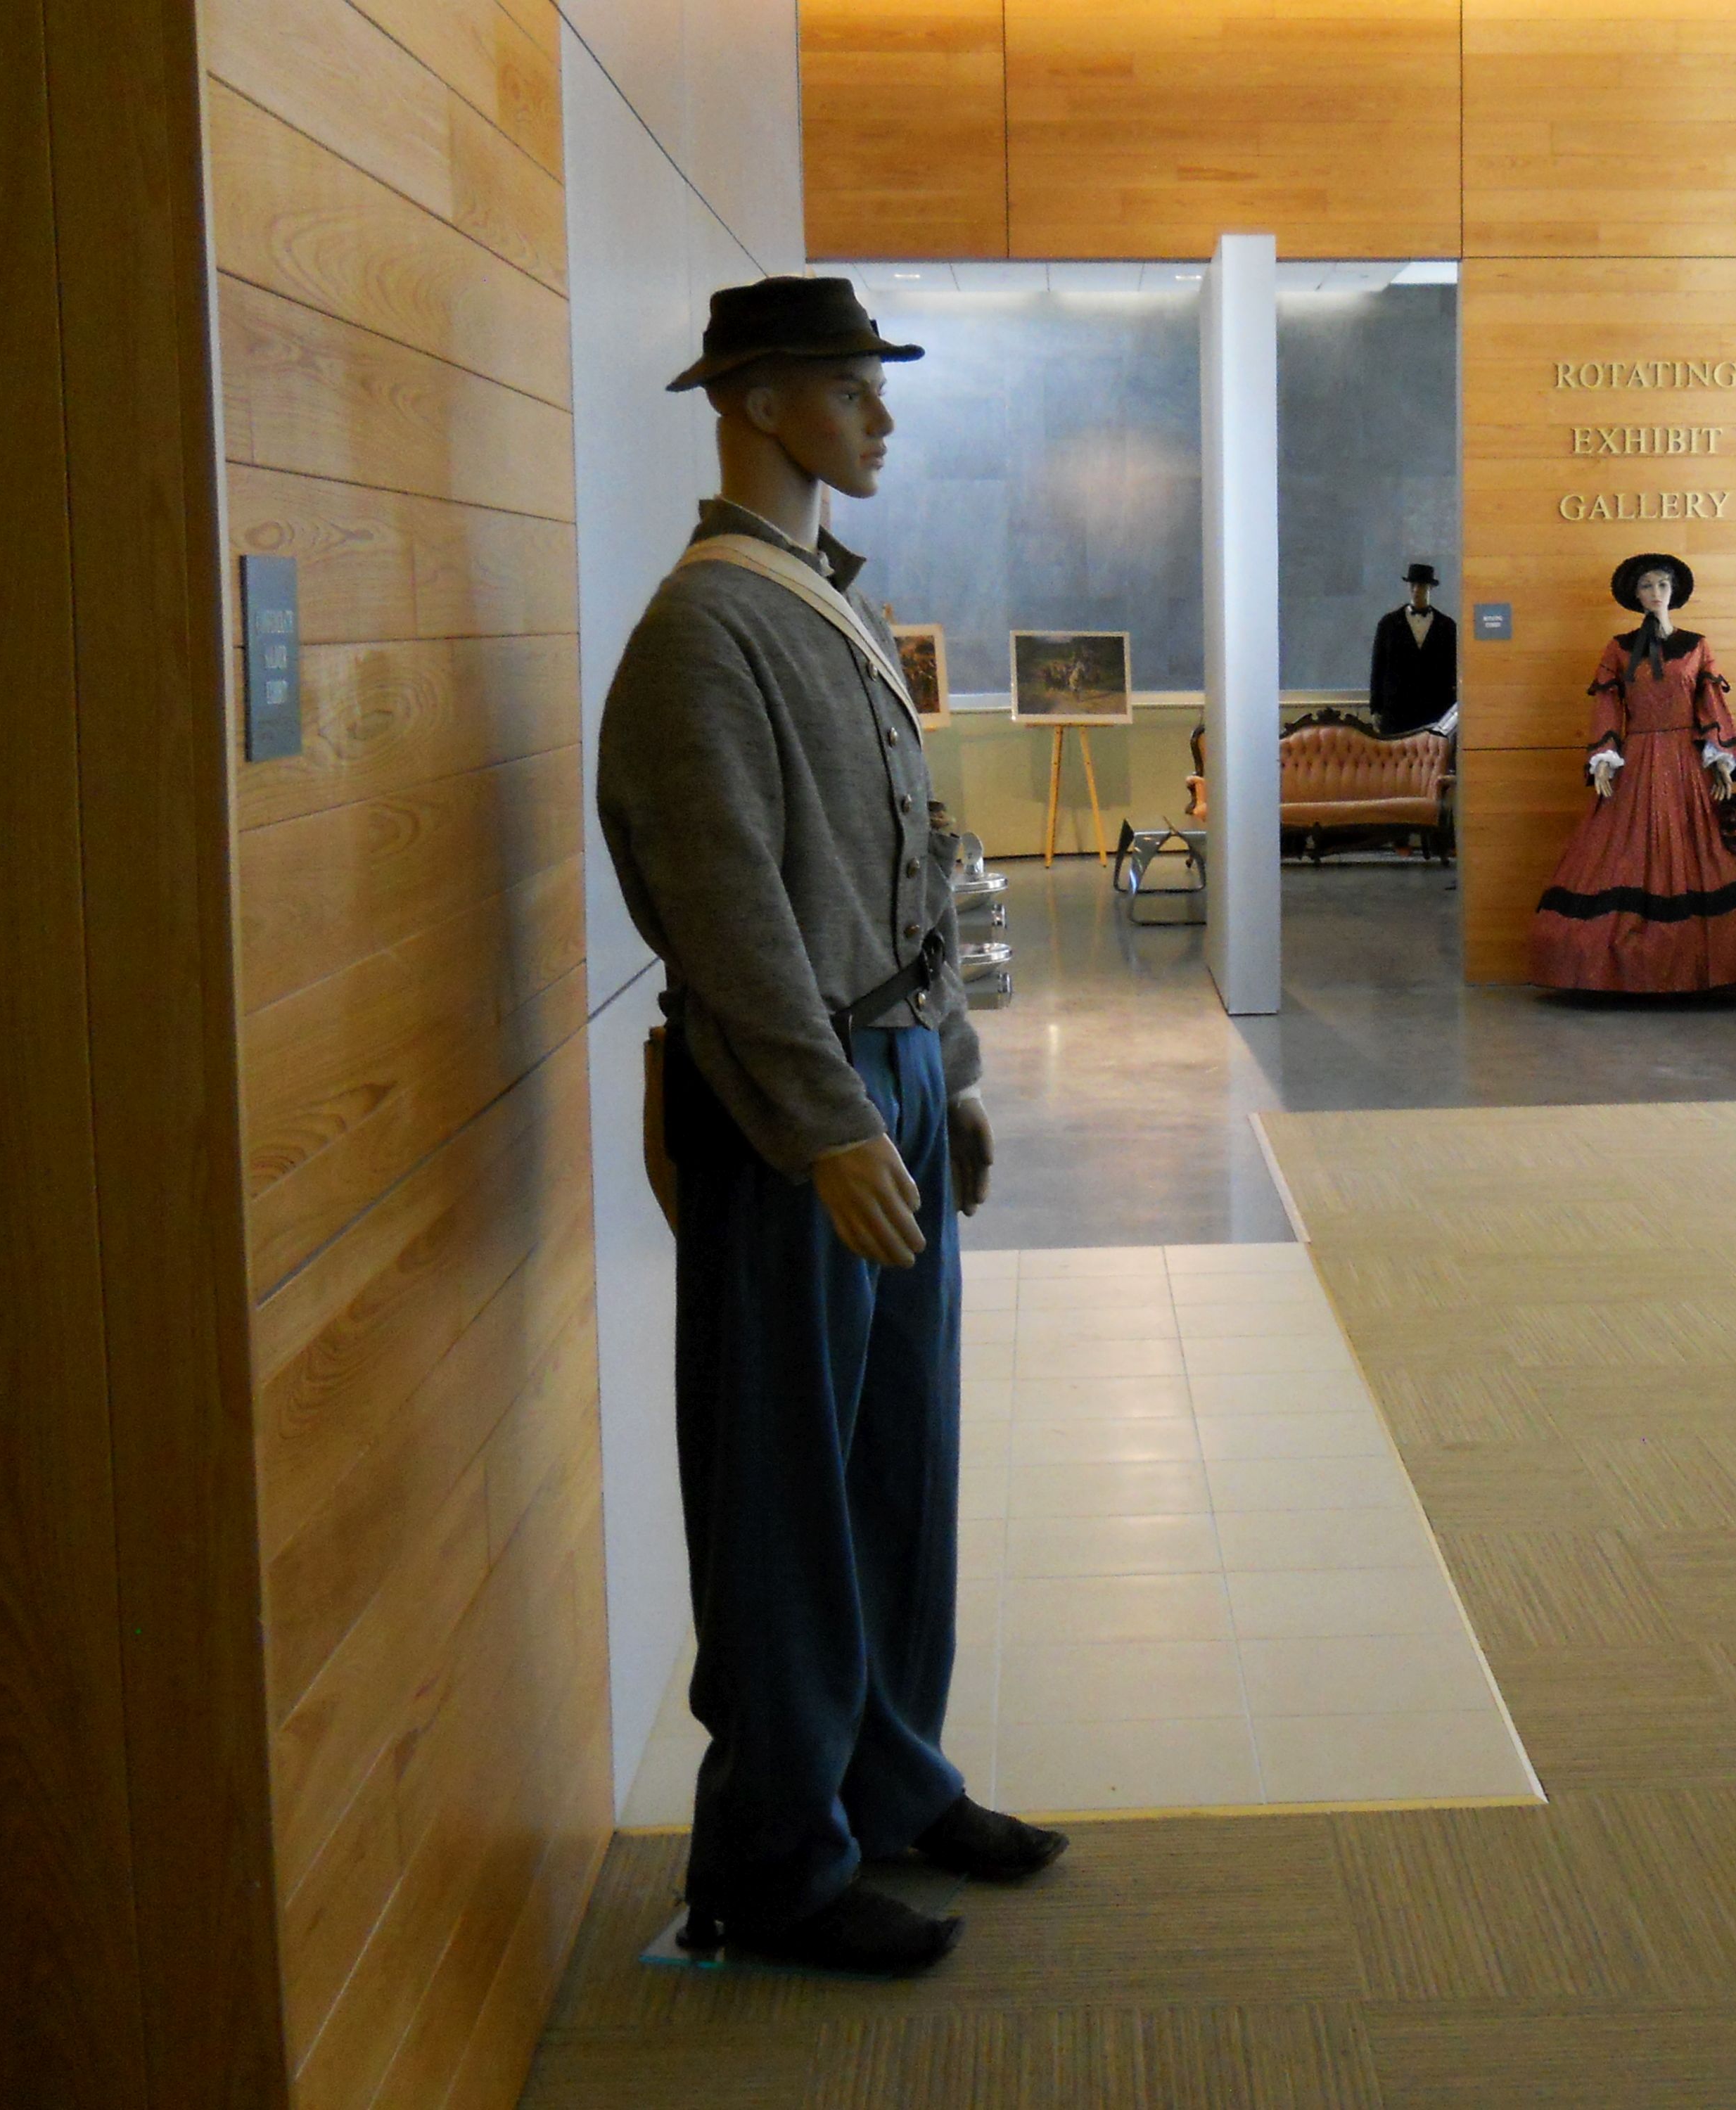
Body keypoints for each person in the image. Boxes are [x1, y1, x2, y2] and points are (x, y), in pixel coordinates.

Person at [597, 276, 1066, 1979]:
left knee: (896, 1459)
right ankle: (772, 1863)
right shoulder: (703, 634)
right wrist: (824, 1122)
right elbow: (728, 921)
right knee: (785, 1486)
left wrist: (948, 1069)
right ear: (766, 400)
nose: (880, 417)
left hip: (888, 1081)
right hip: (789, 1099)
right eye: (854, 388)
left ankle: (888, 1773)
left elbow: (906, 870)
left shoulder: (815, 604)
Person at [1526, 552, 1736, 992]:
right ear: (1635, 596)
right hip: (1636, 763)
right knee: (1625, 851)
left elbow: (1710, 704)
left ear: (1674, 592)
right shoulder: (1618, 649)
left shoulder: (1697, 646)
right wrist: (1603, 758)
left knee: (1698, 850)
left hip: (1686, 762)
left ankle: (1706, 966)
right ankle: (1624, 968)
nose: (1656, 594)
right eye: (1647, 587)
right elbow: (1607, 706)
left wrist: (1720, 758)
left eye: (1662, 586)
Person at [1367, 560, 1457, 736]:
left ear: (1430, 589)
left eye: (1422, 586)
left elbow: (1453, 669)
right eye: (1413, 585)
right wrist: (1375, 708)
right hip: (1396, 710)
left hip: (1435, 709)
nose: (1417, 590)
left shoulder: (1446, 626)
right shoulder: (1389, 624)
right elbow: (1378, 667)